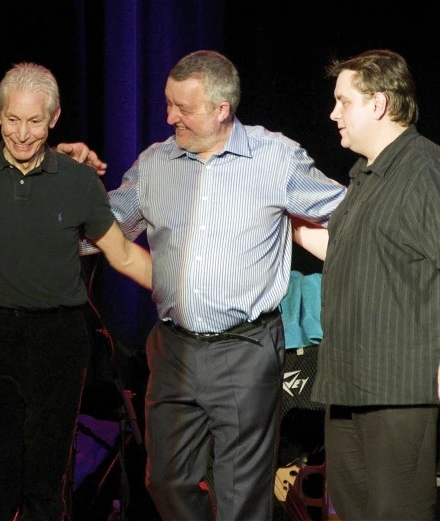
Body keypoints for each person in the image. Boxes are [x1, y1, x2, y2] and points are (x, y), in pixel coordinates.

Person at [80, 50, 346, 521]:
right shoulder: (156, 164)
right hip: (173, 349)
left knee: (241, 492)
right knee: (164, 478)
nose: (169, 117)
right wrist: (59, 192)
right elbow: (102, 229)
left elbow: (347, 214)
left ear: (222, 109)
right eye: (167, 103)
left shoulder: (275, 158)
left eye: (183, 108)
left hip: (245, 348)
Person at [0, 62, 152, 521]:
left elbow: (122, 254)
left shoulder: (79, 181)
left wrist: (191, 291)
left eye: (35, 121)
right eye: (13, 120)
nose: (22, 134)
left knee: (48, 480)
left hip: (58, 339)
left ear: (55, 117)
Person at [311, 50, 440, 521]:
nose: (333, 114)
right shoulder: (366, 177)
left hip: (401, 383)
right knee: (353, 510)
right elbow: (351, 253)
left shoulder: (427, 169)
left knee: (396, 512)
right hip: (350, 381)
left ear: (378, 104)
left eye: (342, 101)